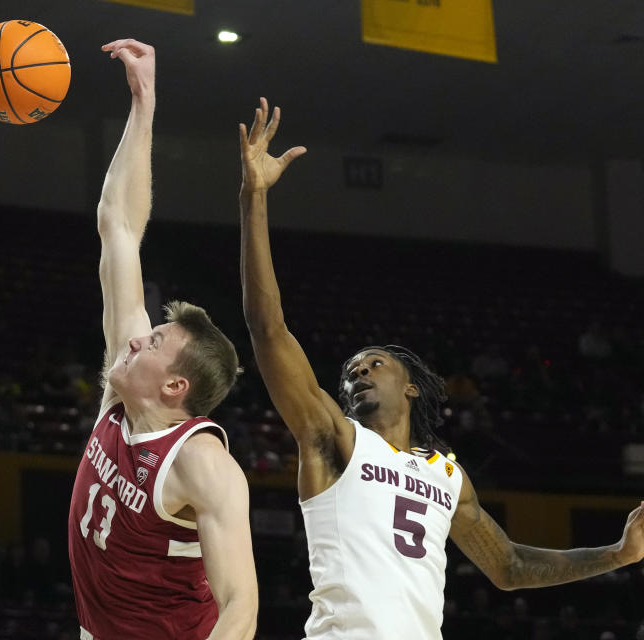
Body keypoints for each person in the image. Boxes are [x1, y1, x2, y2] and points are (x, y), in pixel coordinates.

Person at [237, 97, 644, 639]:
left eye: (374, 364)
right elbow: (269, 330)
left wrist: (617, 555)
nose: (357, 372)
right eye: (351, 370)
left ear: (410, 388)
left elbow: (510, 568)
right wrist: (253, 198)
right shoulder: (332, 439)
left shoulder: (447, 475)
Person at [67, 39, 258, 640]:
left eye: (151, 345)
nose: (132, 341)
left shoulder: (203, 464)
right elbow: (118, 225)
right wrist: (144, 102)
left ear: (176, 385)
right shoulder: (119, 401)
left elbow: (241, 611)